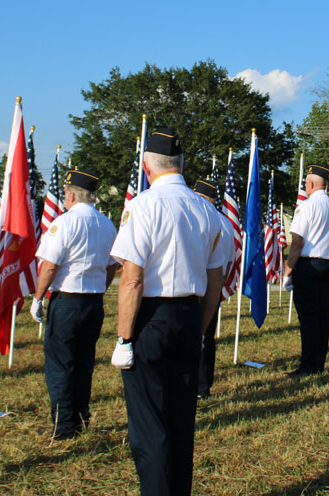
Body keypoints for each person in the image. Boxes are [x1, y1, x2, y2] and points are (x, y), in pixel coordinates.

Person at [110, 128, 230, 495]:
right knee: (181, 423)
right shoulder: (207, 210)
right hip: (189, 316)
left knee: (149, 426)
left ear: (146, 167)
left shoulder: (143, 206)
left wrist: (124, 338)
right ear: (182, 164)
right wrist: (199, 328)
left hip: (150, 319)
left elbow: (132, 280)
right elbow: (216, 284)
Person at [30, 168, 118, 440]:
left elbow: (49, 265)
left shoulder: (64, 223)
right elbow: (113, 266)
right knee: (83, 363)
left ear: (71, 195)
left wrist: (37, 297)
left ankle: (64, 425)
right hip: (93, 301)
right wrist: (99, 289)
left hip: (67, 300)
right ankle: (81, 417)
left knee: (60, 364)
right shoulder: (107, 223)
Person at [283, 164, 329, 376]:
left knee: (308, 317)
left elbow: (297, 241)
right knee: (321, 316)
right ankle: (319, 362)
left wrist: (288, 268)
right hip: (328, 264)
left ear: (310, 184)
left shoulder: (306, 207)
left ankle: (308, 365)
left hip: (309, 266)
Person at [192, 178, 232, 399]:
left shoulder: (197, 217)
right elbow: (229, 261)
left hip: (196, 283)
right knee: (207, 335)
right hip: (216, 284)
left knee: (192, 335)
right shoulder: (225, 222)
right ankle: (203, 385)